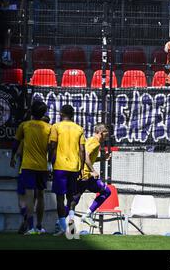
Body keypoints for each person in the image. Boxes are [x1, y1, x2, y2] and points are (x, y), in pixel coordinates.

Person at [10, 101, 51, 235]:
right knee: (40, 196)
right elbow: (51, 148)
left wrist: (12, 157)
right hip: (42, 166)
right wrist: (51, 162)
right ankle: (39, 226)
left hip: (28, 166)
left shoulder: (25, 125)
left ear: (31, 112)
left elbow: (16, 143)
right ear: (43, 113)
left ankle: (31, 227)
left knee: (29, 196)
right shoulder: (49, 128)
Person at [49, 104, 86, 236]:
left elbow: (53, 145)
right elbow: (82, 150)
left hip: (60, 166)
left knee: (59, 198)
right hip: (74, 166)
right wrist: (81, 167)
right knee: (71, 197)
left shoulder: (56, 126)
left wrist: (50, 162)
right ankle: (70, 227)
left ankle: (62, 226)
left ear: (61, 113)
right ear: (72, 115)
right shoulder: (79, 128)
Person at [70, 124, 112, 228]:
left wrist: (102, 158)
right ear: (101, 133)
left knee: (106, 191)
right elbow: (85, 155)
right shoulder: (95, 142)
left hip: (87, 176)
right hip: (84, 175)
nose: (106, 138)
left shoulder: (90, 140)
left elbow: (88, 156)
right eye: (106, 135)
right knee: (73, 201)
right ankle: (61, 222)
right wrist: (93, 170)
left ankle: (87, 215)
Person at [0, 0, 26, 66]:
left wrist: (20, 10)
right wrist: (1, 2)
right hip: (2, 12)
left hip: (13, 12)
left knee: (9, 34)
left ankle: (6, 55)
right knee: (4, 35)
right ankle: (5, 55)